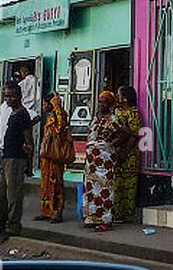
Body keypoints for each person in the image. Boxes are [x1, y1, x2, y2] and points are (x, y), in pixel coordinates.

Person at [0, 82, 32, 241]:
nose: (8, 99)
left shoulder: (22, 115)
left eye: (11, 96)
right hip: (6, 156)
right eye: (6, 96)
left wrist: (28, 161)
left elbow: (29, 140)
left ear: (19, 96)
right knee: (0, 193)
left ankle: (13, 226)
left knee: (13, 194)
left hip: (16, 158)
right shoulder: (12, 113)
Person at [81, 91, 122, 231]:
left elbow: (123, 135)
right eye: (99, 101)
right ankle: (92, 218)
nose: (100, 104)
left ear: (110, 104)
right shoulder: (95, 119)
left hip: (105, 161)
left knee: (105, 190)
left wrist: (110, 145)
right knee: (91, 190)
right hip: (91, 161)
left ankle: (106, 219)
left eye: (104, 102)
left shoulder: (114, 119)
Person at [36, 92, 71, 223]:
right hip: (47, 156)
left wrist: (57, 104)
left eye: (45, 104)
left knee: (56, 182)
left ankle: (58, 211)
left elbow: (61, 126)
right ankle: (46, 210)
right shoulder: (50, 116)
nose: (43, 106)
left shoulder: (60, 114)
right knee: (45, 183)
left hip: (55, 155)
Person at [113, 85, 142, 224]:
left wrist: (125, 152)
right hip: (116, 152)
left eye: (119, 95)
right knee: (116, 184)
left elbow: (134, 134)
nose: (117, 98)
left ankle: (125, 214)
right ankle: (116, 212)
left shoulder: (133, 113)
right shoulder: (116, 112)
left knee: (128, 185)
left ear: (125, 98)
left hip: (129, 154)